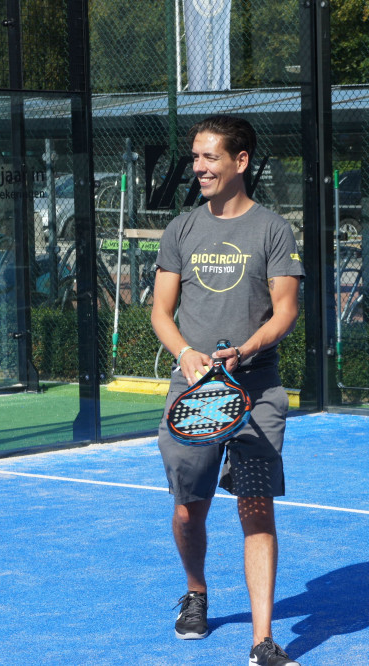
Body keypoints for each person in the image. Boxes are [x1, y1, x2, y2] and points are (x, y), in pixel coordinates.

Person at [150, 114, 304, 666]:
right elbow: (161, 313)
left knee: (256, 509)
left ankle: (262, 641)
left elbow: (285, 311)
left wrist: (247, 350)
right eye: (195, 158)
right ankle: (196, 593)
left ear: (240, 162)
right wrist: (187, 355)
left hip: (257, 392)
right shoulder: (182, 229)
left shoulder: (273, 230)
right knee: (190, 510)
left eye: (209, 158)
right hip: (193, 391)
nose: (198, 168)